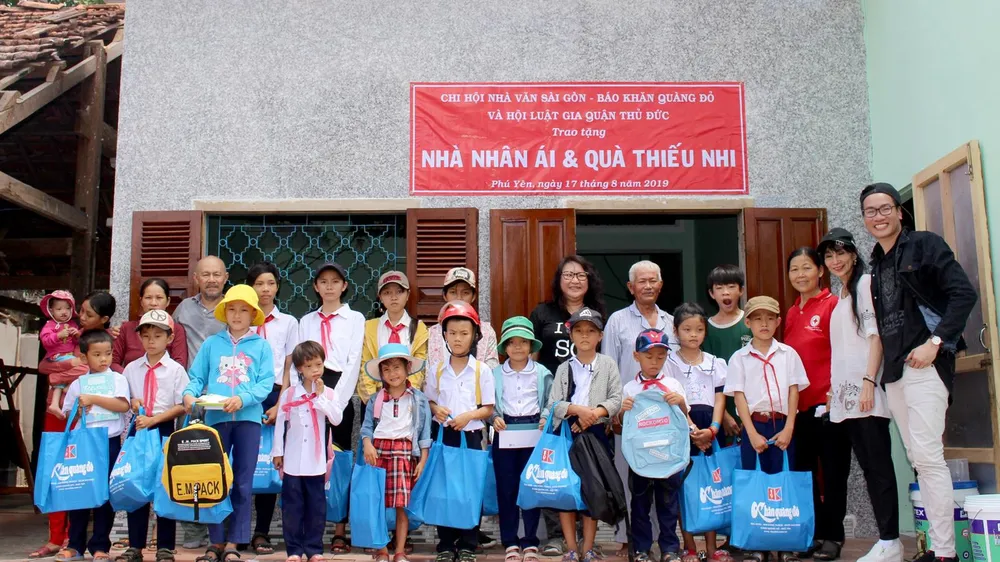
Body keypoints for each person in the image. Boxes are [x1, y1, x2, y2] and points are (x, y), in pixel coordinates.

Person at [862, 182, 977, 562]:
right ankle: (939, 549)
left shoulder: (925, 245)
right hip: (896, 372)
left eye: (885, 208)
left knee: (928, 458)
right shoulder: (877, 263)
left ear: (899, 211)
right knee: (919, 460)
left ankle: (945, 553)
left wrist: (936, 342)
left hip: (926, 365)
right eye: (870, 211)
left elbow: (963, 293)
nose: (878, 216)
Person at [818, 228, 901, 562]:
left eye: (840, 253)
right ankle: (887, 541)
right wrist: (833, 390)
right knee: (867, 469)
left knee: (878, 468)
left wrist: (868, 380)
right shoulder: (840, 295)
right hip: (845, 399)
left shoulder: (865, 285)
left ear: (853, 254)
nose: (835, 260)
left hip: (866, 394)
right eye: (829, 255)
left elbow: (875, 336)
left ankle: (890, 540)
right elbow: (842, 350)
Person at [181, 284, 275, 562]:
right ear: (224, 313)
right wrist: (188, 394)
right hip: (215, 420)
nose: (236, 315)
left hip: (248, 421)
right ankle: (216, 541)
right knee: (214, 479)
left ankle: (235, 541)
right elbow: (197, 377)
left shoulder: (261, 346)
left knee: (243, 483)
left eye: (243, 310)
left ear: (253, 314)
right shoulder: (212, 344)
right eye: (231, 309)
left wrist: (243, 399)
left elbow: (265, 383)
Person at [30, 292, 117, 561]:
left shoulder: (107, 341)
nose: (80, 316)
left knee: (86, 477)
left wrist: (67, 370)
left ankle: (81, 540)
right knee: (60, 472)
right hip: (62, 412)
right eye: (81, 310)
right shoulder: (67, 334)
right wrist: (71, 365)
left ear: (104, 319)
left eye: (88, 314)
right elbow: (45, 366)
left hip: (93, 418)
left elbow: (108, 372)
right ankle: (57, 537)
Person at [529, 255, 606, 556]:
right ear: (559, 280)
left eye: (581, 274)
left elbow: (605, 361)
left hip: (590, 409)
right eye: (568, 274)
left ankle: (585, 540)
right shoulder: (543, 312)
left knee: (587, 471)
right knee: (555, 466)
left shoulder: (598, 312)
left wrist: (601, 410)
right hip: (556, 403)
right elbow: (532, 359)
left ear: (589, 280)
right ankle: (555, 536)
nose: (575, 280)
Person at [724, 296, 809, 562]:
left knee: (783, 480)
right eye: (758, 318)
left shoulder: (788, 354)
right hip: (754, 425)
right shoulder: (739, 358)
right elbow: (738, 397)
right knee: (755, 483)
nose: (764, 324)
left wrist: (789, 428)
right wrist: (750, 433)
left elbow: (794, 391)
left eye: (770, 318)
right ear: (747, 323)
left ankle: (785, 544)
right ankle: (757, 544)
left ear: (778, 322)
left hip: (782, 424)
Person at [603, 260, 676, 556]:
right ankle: (626, 537)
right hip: (629, 413)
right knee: (628, 476)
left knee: (662, 476)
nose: (647, 286)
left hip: (664, 417)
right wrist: (612, 412)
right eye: (641, 281)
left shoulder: (671, 321)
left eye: (652, 281)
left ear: (661, 285)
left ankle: (659, 538)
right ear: (630, 287)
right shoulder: (617, 321)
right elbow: (608, 367)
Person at [540, 307, 622, 562]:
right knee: (567, 491)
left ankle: (588, 547)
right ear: (571, 335)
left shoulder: (608, 365)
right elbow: (554, 404)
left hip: (595, 433)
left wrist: (593, 414)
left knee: (592, 491)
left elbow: (616, 398)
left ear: (600, 336)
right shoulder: (564, 368)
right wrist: (577, 411)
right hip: (568, 432)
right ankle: (571, 548)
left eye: (591, 331)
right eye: (579, 331)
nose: (585, 336)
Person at [297, 262, 364, 553]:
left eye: (335, 281)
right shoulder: (306, 321)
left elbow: (354, 360)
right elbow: (299, 359)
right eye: (323, 281)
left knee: (339, 458)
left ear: (344, 285)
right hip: (310, 388)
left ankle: (339, 529)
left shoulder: (355, 319)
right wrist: (306, 394)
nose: (329, 286)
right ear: (315, 286)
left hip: (339, 388)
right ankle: (307, 526)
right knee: (308, 456)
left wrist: (337, 399)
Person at [783, 247, 845, 560]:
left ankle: (833, 536)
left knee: (833, 474)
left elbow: (843, 352)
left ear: (820, 271)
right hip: (800, 409)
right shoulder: (792, 312)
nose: (800, 275)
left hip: (830, 405)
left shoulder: (833, 304)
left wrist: (835, 391)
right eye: (794, 269)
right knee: (805, 474)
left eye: (806, 267)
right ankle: (814, 534)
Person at [424, 301, 496, 562]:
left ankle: (468, 543)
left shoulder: (481, 370)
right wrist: (436, 409)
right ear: (444, 335)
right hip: (444, 437)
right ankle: (445, 543)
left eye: (464, 333)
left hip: (471, 437)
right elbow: (429, 401)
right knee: (443, 489)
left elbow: (488, 408)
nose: (457, 338)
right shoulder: (437, 369)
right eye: (452, 333)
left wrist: (468, 416)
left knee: (469, 489)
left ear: (475, 335)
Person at [118, 310, 189, 562]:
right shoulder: (131, 368)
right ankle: (135, 546)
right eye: (146, 335)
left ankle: (165, 547)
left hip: (163, 429)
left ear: (169, 338)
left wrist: (155, 419)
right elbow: (124, 399)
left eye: (158, 335)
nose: (151, 341)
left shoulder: (176, 370)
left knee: (164, 486)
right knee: (136, 485)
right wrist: (133, 402)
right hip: (138, 429)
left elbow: (182, 405)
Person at [54, 329, 131, 562]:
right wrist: (80, 409)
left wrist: (94, 399)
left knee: (104, 495)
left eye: (108, 353)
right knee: (80, 491)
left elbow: (123, 406)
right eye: (97, 355)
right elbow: (68, 413)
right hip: (84, 442)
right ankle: (74, 545)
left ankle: (100, 545)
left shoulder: (118, 379)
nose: (103, 359)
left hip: (108, 442)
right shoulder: (78, 384)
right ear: (84, 357)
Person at [272, 341, 352, 562]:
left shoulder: (329, 394)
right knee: (292, 508)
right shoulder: (290, 394)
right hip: (292, 460)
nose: (315, 370)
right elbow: (280, 424)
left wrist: (320, 398)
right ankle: (294, 551)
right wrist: (277, 452)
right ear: (300, 368)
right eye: (309, 366)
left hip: (316, 461)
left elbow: (336, 419)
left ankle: (314, 549)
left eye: (318, 364)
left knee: (316, 508)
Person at [618, 328, 691, 562]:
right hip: (641, 456)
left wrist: (680, 402)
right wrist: (622, 411)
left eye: (660, 357)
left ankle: (670, 549)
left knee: (668, 504)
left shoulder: (673, 385)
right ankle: (641, 549)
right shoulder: (630, 388)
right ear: (636, 356)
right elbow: (622, 425)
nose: (654, 362)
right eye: (648, 356)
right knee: (640, 503)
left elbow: (684, 419)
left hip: (668, 454)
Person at [244, 262, 300, 557]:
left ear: (278, 286)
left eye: (270, 283)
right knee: (243, 462)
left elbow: (290, 365)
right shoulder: (241, 319)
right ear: (250, 287)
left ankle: (261, 532)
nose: (265, 289)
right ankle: (238, 531)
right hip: (245, 397)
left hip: (276, 395)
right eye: (259, 284)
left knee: (269, 461)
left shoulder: (288, 322)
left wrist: (282, 403)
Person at [360, 343, 433, 562]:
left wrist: (423, 460)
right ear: (381, 373)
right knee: (378, 504)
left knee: (402, 505)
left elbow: (425, 433)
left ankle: (399, 551)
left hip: (404, 453)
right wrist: (367, 444)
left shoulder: (418, 399)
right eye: (387, 369)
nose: (392, 373)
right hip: (378, 453)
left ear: (407, 368)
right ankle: (382, 550)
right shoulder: (376, 399)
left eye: (397, 367)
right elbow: (366, 427)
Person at [666, 305, 728, 562]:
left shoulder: (715, 363)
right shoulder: (669, 363)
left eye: (699, 329)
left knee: (711, 486)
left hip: (710, 427)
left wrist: (713, 429)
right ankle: (689, 546)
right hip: (682, 428)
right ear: (676, 331)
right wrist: (692, 429)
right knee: (685, 488)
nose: (693, 334)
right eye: (687, 329)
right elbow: (671, 400)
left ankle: (712, 547)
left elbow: (720, 397)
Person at [488, 316, 553, 562]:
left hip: (533, 430)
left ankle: (530, 541)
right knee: (507, 488)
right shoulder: (494, 374)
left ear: (531, 345)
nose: (517, 347)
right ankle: (510, 541)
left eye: (523, 342)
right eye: (512, 342)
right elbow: (487, 403)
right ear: (504, 347)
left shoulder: (542, 373)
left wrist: (545, 417)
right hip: (505, 431)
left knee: (531, 486)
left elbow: (551, 400)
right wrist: (494, 417)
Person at [173, 256, 227, 549]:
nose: (211, 280)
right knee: (190, 464)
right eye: (205, 274)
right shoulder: (183, 309)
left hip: (225, 401)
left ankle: (221, 530)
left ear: (225, 277)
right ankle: (193, 530)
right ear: (196, 278)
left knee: (223, 465)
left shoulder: (233, 308)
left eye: (216, 274)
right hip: (192, 401)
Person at [358, 271, 429, 404]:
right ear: (380, 297)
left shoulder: (419, 329)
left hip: (408, 401)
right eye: (387, 293)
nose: (394, 297)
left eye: (399, 292)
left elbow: (419, 369)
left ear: (408, 295)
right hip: (375, 400)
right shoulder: (369, 327)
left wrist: (407, 397)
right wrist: (373, 400)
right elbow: (365, 365)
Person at [702, 265, 752, 442]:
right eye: (719, 288)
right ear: (711, 293)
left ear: (741, 290)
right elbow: (705, 377)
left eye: (731, 287)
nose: (725, 292)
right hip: (719, 407)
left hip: (750, 404)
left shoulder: (750, 323)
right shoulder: (705, 329)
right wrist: (723, 416)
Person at [112, 278, 189, 373]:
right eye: (148, 298)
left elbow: (180, 362)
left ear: (168, 301)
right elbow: (113, 362)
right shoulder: (126, 328)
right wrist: (130, 376)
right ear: (141, 301)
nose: (153, 303)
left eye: (159, 298)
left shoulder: (176, 329)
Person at [427, 267, 499, 368]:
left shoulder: (486, 331)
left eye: (465, 293)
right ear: (444, 295)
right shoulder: (432, 333)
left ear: (473, 296)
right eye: (453, 292)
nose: (459, 298)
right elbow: (427, 373)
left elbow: (492, 369)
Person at [40, 290, 81, 419]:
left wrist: (76, 335)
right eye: (59, 309)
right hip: (57, 356)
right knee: (83, 367)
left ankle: (54, 403)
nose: (64, 312)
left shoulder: (72, 324)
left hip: (69, 355)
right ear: (51, 310)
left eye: (67, 308)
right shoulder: (50, 325)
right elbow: (45, 340)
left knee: (71, 370)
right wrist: (57, 336)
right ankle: (67, 386)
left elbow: (76, 343)